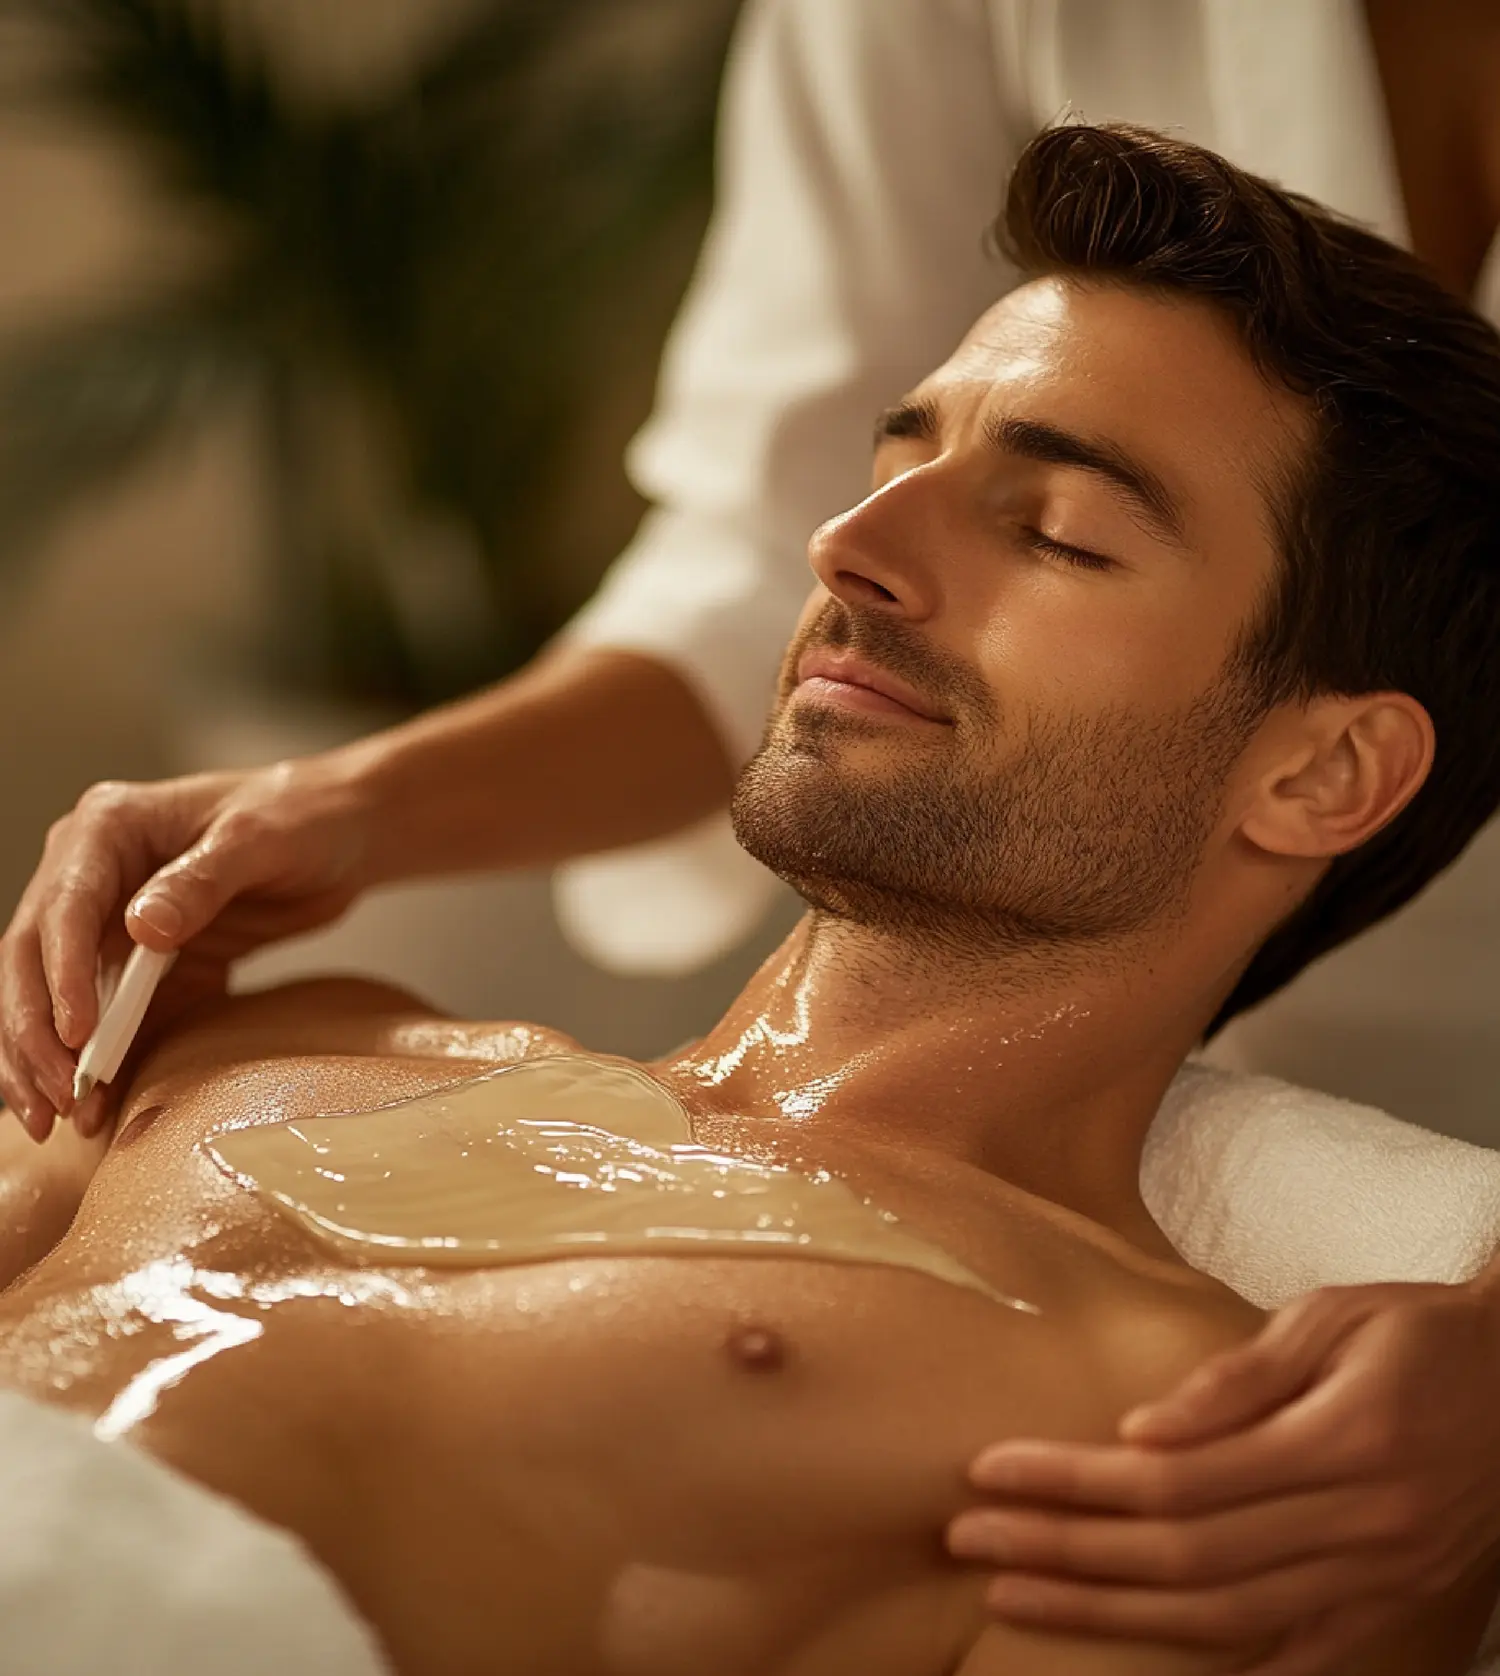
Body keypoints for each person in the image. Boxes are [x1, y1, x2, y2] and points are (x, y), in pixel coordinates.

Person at [5, 5, 1500, 1668]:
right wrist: (342, 801)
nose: (846, 546)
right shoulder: (254, 1041)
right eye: (894, 455)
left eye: (1060, 532)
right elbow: (722, 560)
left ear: (1322, 773)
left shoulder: (1166, 1439)